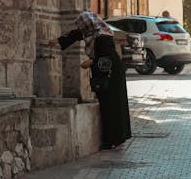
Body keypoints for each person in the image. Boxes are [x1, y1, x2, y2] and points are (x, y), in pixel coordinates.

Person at [48, 11, 132, 149]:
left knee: (111, 106)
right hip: (108, 72)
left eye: (82, 26)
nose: (81, 29)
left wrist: (92, 62)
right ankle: (115, 138)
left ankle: (112, 140)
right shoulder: (92, 31)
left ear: (88, 24)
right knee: (111, 105)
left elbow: (108, 57)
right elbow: (76, 34)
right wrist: (57, 41)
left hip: (112, 75)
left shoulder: (102, 36)